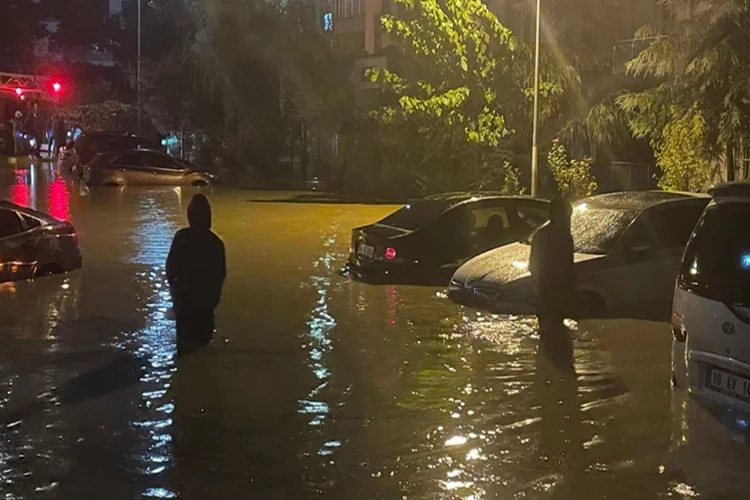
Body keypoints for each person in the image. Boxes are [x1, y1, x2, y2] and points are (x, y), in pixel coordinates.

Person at [166, 194, 227, 356]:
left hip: (185, 304)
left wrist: (176, 296)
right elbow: (220, 276)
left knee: (185, 349)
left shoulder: (181, 238)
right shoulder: (215, 243)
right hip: (205, 305)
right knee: (203, 350)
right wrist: (213, 300)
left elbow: (170, 270)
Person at [529, 196, 574, 330]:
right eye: (567, 216)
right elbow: (567, 265)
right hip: (552, 289)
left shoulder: (541, 235)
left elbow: (533, 265)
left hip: (549, 290)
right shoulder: (562, 237)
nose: (569, 220)